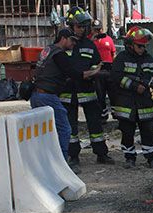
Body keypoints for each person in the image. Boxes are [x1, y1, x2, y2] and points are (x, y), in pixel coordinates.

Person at [30, 29, 102, 171]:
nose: (74, 44)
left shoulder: (48, 50)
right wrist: (94, 71)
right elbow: (73, 73)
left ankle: (46, 163)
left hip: (36, 95)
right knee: (64, 129)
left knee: (44, 131)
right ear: (63, 38)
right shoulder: (59, 54)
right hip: (48, 96)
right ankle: (63, 165)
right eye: (72, 40)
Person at [63, 6, 114, 168]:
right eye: (79, 26)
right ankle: (73, 156)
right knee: (71, 126)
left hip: (87, 90)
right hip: (68, 91)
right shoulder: (63, 44)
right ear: (70, 26)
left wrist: (92, 73)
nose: (83, 29)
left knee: (95, 123)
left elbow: (96, 65)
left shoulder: (90, 45)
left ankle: (101, 153)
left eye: (85, 26)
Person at [110, 26, 153, 169]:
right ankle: (129, 158)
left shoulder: (148, 58)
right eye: (140, 46)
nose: (142, 49)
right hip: (126, 102)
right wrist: (134, 86)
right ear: (130, 44)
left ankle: (151, 157)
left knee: (148, 131)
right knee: (127, 132)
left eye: (144, 46)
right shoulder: (122, 58)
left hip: (144, 102)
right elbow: (116, 77)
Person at [90, 19, 116, 123]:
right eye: (95, 30)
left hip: (109, 69)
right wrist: (92, 40)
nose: (98, 32)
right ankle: (103, 115)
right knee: (100, 95)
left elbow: (113, 53)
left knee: (113, 94)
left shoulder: (109, 39)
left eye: (99, 29)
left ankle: (116, 115)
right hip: (97, 71)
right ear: (92, 30)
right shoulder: (90, 40)